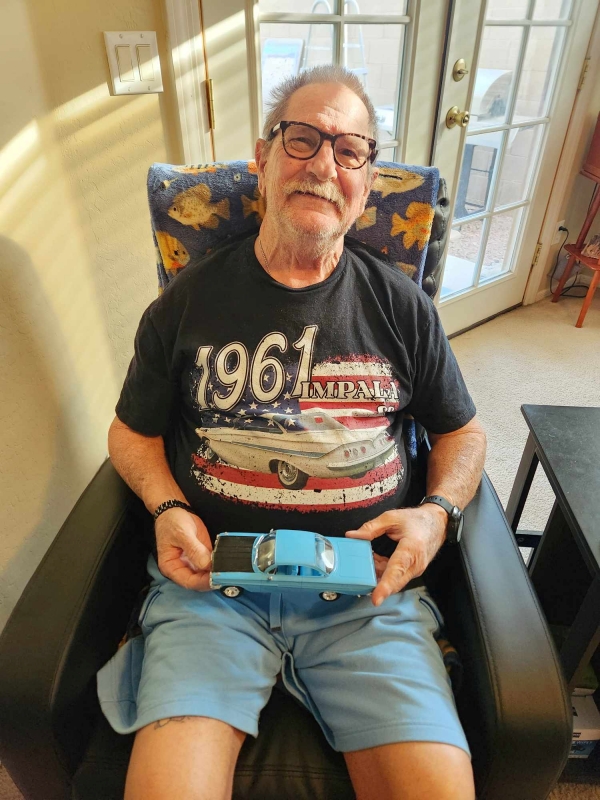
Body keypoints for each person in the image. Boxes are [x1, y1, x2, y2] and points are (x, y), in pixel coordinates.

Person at [98, 65, 486, 800]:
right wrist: (166, 506)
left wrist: (437, 514)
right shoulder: (185, 304)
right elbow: (130, 433)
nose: (323, 165)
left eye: (349, 150)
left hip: (366, 597)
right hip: (213, 589)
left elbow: (462, 435)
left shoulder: (403, 309)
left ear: (366, 182)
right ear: (263, 158)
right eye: (302, 139)